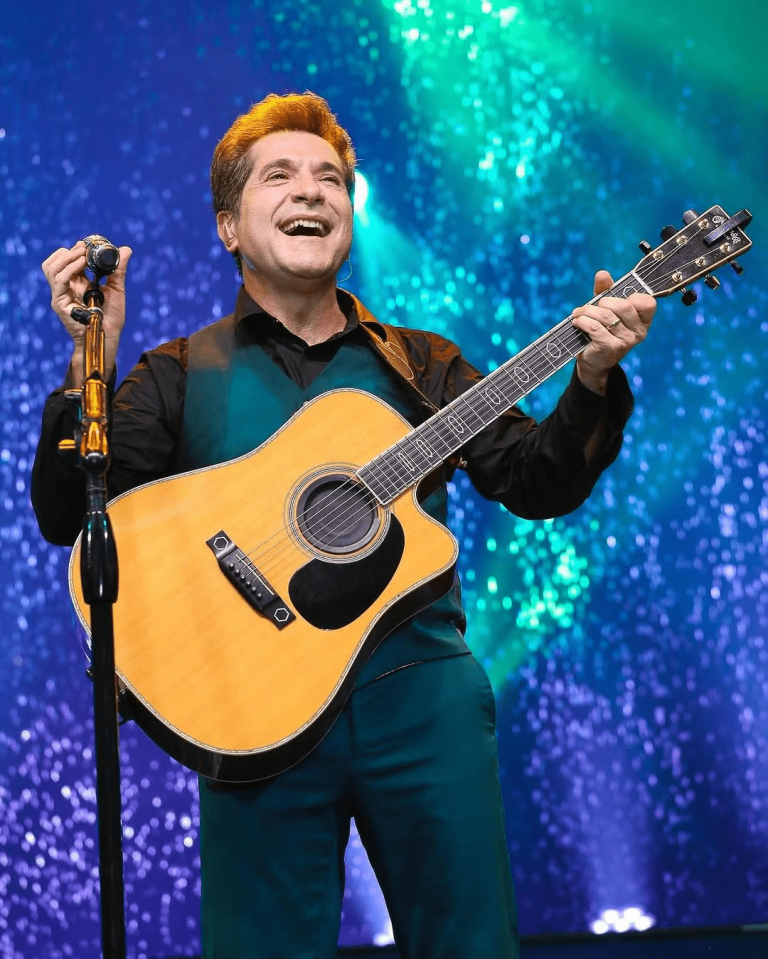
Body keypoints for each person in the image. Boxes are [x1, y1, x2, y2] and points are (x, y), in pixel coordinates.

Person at [32, 92, 654, 959]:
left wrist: (591, 378)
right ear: (228, 227)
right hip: (251, 708)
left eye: (330, 179)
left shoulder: (422, 362)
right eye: (280, 176)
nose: (311, 191)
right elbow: (71, 515)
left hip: (421, 694)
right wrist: (86, 364)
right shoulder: (174, 373)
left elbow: (535, 480)